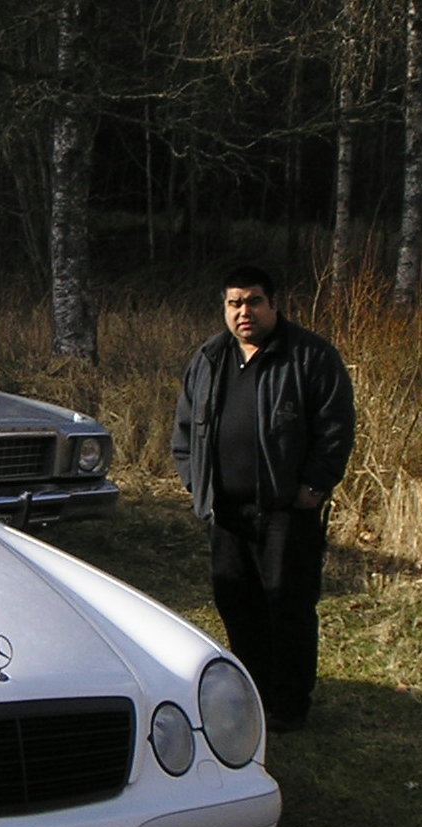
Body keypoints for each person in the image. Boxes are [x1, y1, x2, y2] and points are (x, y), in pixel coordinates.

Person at [172, 265, 356, 733]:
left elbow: (335, 428)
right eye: (234, 303)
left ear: (274, 304)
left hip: (285, 512)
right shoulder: (210, 358)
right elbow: (185, 429)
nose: (243, 312)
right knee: (236, 601)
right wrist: (198, 483)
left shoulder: (310, 357)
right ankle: (252, 694)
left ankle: (290, 704)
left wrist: (313, 487)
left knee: (287, 604)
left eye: (253, 301)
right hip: (227, 512)